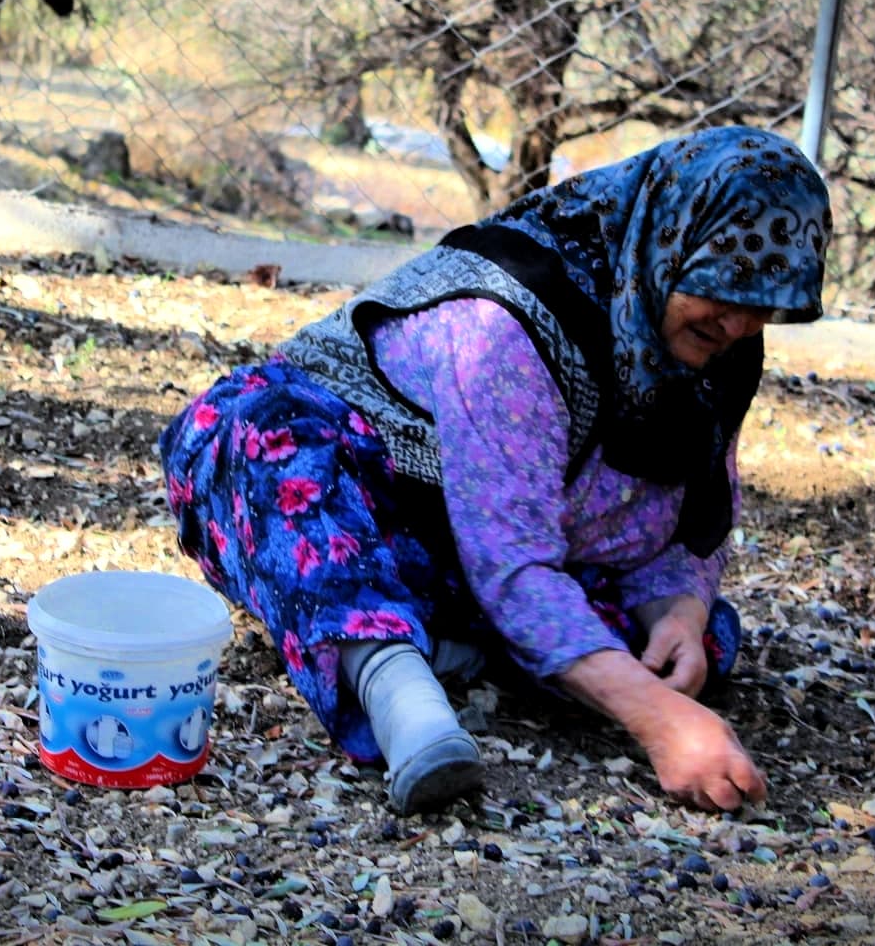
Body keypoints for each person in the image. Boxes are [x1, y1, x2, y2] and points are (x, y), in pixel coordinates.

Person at [157, 125, 830, 814]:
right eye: (722, 287)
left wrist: (679, 612)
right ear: (669, 241)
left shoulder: (717, 349)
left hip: (485, 545)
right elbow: (511, 562)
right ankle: (394, 685)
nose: (739, 326)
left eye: (765, 305)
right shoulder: (508, 318)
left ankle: (451, 643)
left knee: (697, 642)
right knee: (269, 450)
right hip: (365, 491)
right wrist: (655, 718)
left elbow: (686, 522)